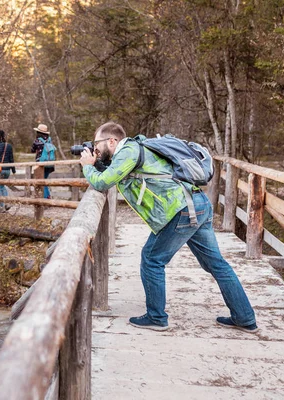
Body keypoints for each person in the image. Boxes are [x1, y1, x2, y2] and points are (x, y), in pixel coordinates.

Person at [79, 121, 258, 333]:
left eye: (97, 144)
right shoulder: (133, 150)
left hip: (181, 209)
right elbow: (114, 173)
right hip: (197, 204)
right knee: (216, 264)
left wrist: (87, 166)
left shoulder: (128, 150)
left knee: (152, 259)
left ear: (111, 140)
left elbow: (102, 182)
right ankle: (245, 317)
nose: (95, 149)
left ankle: (156, 317)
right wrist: (97, 164)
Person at [30, 123, 55, 199]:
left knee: (41, 182)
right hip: (50, 163)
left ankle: (46, 198)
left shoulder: (37, 141)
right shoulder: (49, 140)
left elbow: (32, 150)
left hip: (40, 164)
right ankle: (46, 197)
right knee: (44, 180)